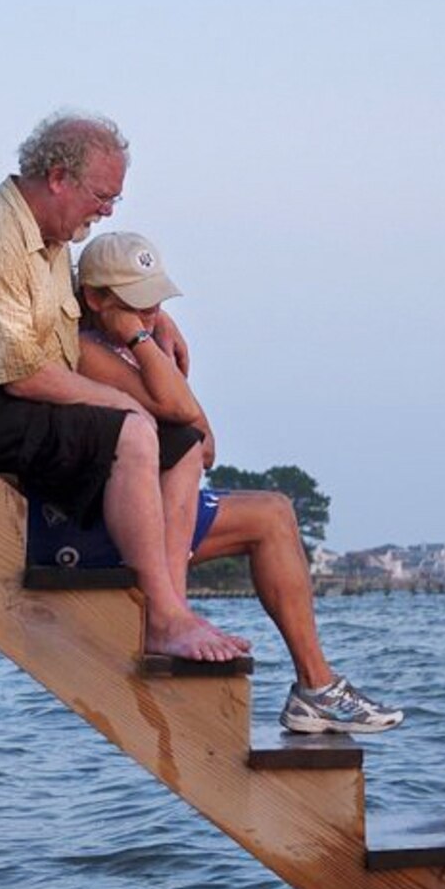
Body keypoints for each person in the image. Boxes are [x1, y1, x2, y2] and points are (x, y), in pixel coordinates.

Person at [0, 111, 246, 665]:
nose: (109, 210)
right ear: (59, 177)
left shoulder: (53, 235)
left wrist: (152, 319)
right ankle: (161, 617)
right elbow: (21, 374)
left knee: (179, 442)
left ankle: (172, 608)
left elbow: (77, 313)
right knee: (136, 431)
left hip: (19, 392)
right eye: (103, 195)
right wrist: (130, 407)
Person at [71, 229, 403, 735]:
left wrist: (151, 336)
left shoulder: (131, 344)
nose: (151, 315)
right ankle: (294, 675)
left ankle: (315, 688)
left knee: (274, 512)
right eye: (137, 306)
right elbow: (188, 420)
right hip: (114, 516)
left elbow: (203, 444)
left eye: (156, 302)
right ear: (97, 300)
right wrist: (144, 341)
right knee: (268, 515)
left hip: (161, 500)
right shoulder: (84, 348)